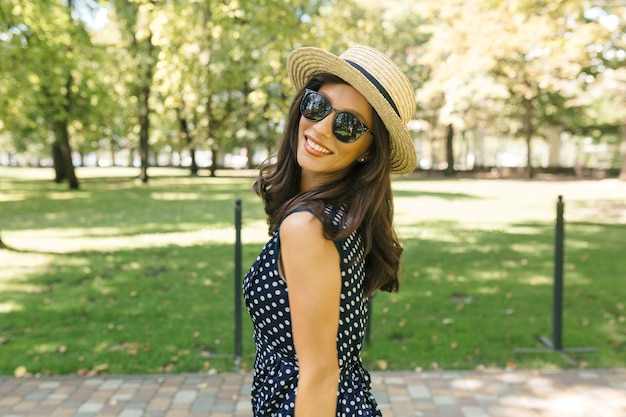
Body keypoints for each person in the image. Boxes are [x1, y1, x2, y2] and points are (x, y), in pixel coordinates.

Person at [243, 45, 417, 417]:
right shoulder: (340, 217)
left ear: (369, 151)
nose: (321, 128)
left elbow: (321, 374)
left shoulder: (308, 226)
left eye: (348, 125)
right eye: (318, 106)